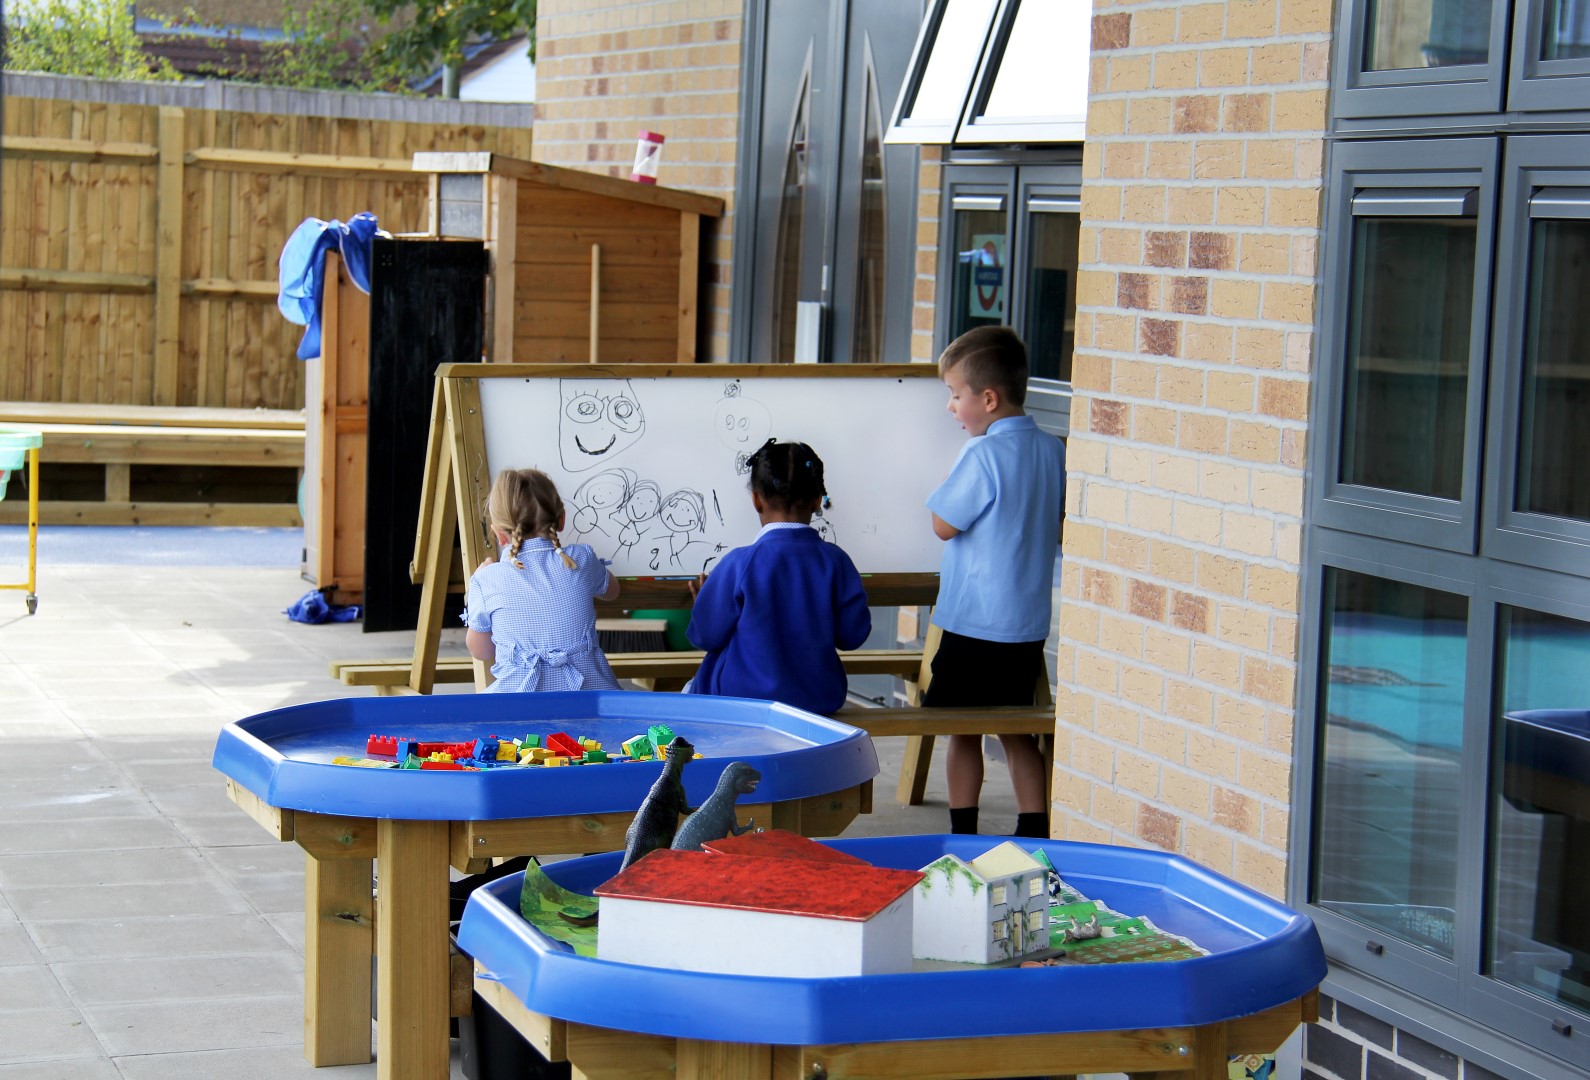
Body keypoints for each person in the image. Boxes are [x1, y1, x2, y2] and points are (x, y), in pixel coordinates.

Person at [926, 325, 1066, 838]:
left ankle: (963, 833)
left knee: (960, 732)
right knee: (1015, 731)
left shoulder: (981, 454)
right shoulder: (1052, 451)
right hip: (1024, 625)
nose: (950, 408)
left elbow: (944, 523)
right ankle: (1034, 829)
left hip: (973, 623)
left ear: (987, 398)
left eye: (954, 395)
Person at [685, 440, 871, 715]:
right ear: (818, 501)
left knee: (691, 693)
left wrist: (704, 604)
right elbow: (852, 636)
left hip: (743, 701)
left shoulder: (740, 563)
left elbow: (705, 636)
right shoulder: (836, 561)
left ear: (756, 500)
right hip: (817, 701)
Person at [465, 467, 622, 692]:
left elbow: (480, 651)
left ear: (499, 534)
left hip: (518, 704)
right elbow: (613, 591)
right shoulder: (581, 559)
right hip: (590, 699)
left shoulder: (486, 579)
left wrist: (475, 589)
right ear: (561, 521)